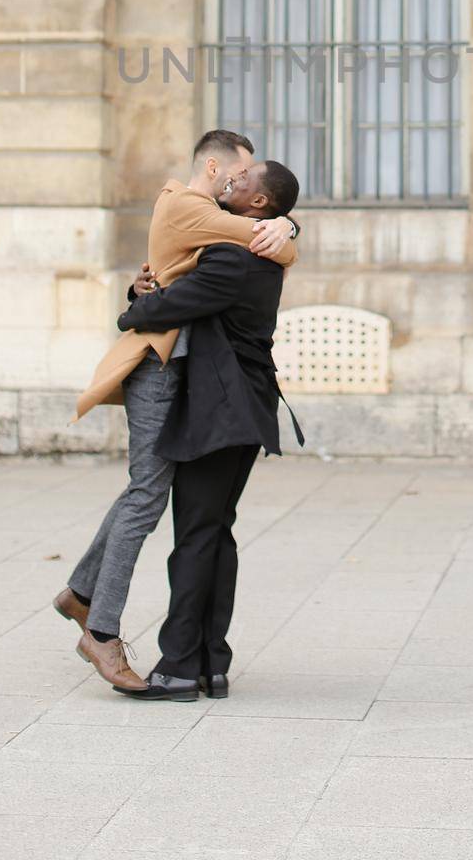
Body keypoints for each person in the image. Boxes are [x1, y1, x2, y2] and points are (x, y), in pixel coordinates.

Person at [53, 131, 299, 692]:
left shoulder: (209, 214)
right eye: (235, 174)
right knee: (148, 496)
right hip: (160, 362)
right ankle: (102, 630)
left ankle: (83, 596)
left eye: (247, 181)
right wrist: (286, 228)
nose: (237, 183)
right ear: (214, 168)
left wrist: (286, 224)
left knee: (151, 495)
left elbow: (263, 237)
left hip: (185, 369)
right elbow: (266, 241)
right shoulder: (189, 205)